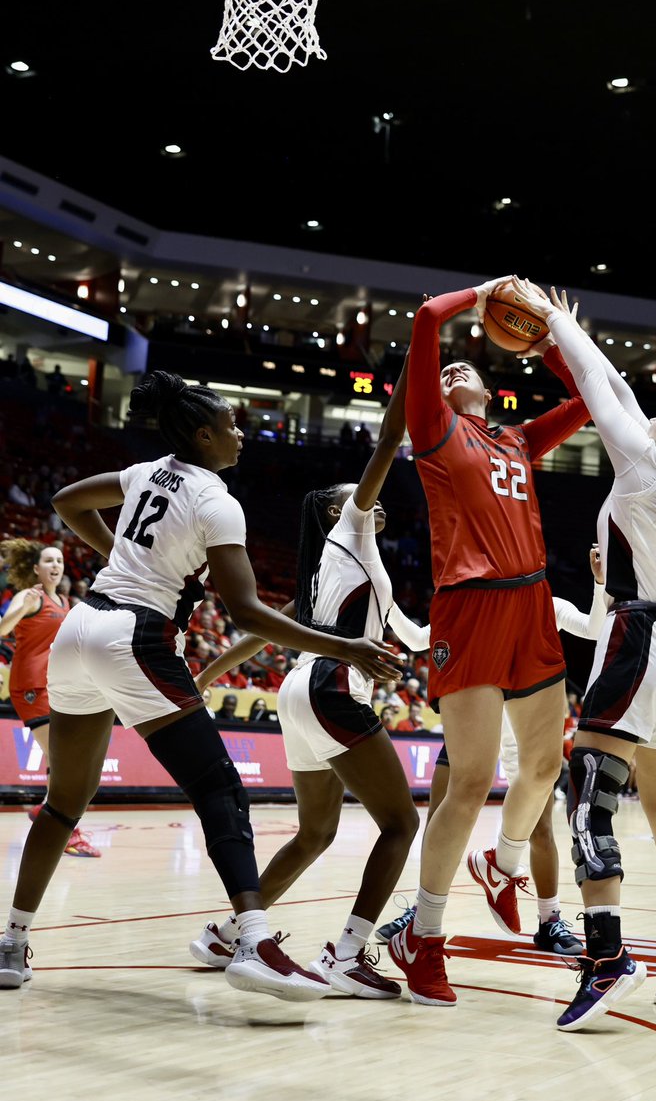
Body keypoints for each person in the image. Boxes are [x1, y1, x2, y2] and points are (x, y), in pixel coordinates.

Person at [0, 370, 402, 997]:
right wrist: (344, 646)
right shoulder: (217, 499)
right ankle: (252, 940)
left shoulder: (144, 473)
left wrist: (119, 558)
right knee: (219, 787)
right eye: (233, 425)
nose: (242, 434)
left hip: (79, 629)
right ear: (204, 434)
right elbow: (244, 612)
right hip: (135, 635)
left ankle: (12, 942)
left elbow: (67, 502)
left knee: (63, 804)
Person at [511, 279, 656, 1031]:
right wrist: (574, 336)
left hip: (639, 641)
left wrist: (550, 325)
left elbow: (609, 401)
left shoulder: (644, 465)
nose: (649, 415)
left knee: (589, 800)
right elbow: (618, 388)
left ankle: (606, 959)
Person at [188, 353, 428, 1001]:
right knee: (402, 824)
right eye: (354, 496)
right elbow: (388, 440)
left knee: (317, 832)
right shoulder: (349, 526)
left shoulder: (330, 575)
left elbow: (264, 630)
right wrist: (417, 357)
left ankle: (226, 932)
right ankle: (349, 954)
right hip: (329, 690)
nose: (366, 499)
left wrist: (207, 672)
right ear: (336, 512)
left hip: (298, 693)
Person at [386, 279, 590, 1007]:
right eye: (444, 374)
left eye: (462, 369)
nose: (452, 373)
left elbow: (591, 400)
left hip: (531, 604)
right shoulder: (436, 432)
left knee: (544, 769)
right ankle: (425, 936)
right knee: (470, 781)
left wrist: (548, 343)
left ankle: (502, 867)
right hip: (469, 608)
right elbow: (425, 319)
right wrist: (482, 294)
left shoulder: (518, 438)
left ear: (492, 388)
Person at [378, 543, 607, 958]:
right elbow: (415, 639)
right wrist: (385, 595)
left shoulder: (544, 605)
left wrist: (599, 582)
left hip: (521, 736)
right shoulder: (468, 608)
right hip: (471, 727)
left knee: (540, 830)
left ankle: (549, 920)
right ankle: (421, 912)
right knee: (440, 821)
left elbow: (594, 628)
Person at [0, 539, 100, 857]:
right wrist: (19, 607)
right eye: (48, 561)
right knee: (62, 758)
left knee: (63, 757)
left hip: (54, 685)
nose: (55, 565)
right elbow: (3, 629)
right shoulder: (30, 596)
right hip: (29, 685)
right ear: (35, 568)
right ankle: (66, 829)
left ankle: (46, 809)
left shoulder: (65, 602)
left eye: (59, 560)